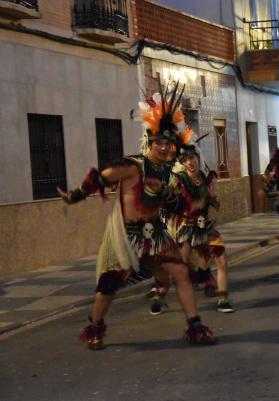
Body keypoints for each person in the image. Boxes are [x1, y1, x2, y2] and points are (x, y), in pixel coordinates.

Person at [57, 82, 216, 349]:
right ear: (150, 142)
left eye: (169, 143)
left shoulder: (168, 172)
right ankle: (95, 326)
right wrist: (75, 196)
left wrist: (166, 193)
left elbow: (178, 207)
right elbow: (101, 177)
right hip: (127, 237)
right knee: (108, 286)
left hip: (154, 234)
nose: (165, 148)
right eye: (160, 143)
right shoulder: (132, 166)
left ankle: (195, 327)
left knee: (180, 272)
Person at [171, 139, 234, 313]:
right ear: (182, 163)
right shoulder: (179, 180)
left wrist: (214, 200)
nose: (189, 162)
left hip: (205, 227)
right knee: (182, 267)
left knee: (221, 260)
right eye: (185, 160)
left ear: (198, 157)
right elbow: (172, 204)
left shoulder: (207, 179)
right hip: (186, 227)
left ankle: (223, 299)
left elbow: (216, 204)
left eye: (192, 158)